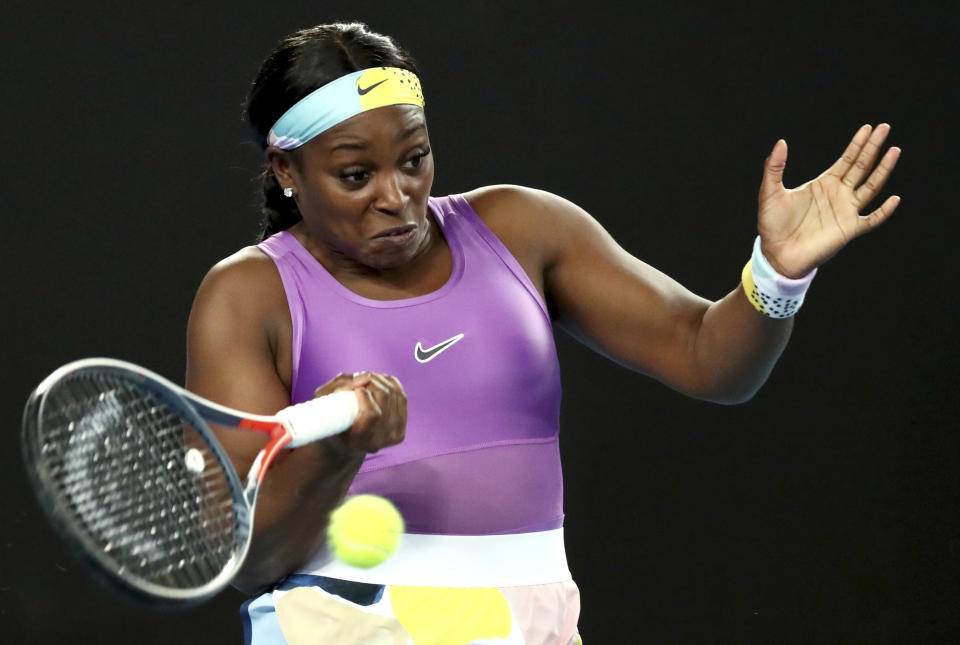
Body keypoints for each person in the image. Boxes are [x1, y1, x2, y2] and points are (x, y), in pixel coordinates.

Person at [184, 22, 901, 645]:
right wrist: (341, 449)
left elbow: (710, 359)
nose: (397, 197)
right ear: (286, 169)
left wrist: (775, 275)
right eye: (354, 174)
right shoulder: (247, 295)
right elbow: (249, 558)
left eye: (414, 159)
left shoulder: (523, 229)